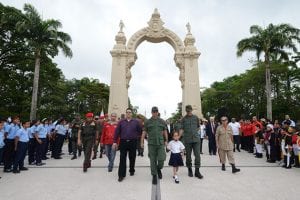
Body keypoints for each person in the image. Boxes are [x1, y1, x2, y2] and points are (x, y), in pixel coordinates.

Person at [113, 108, 142, 182]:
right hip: (123, 142)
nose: (128, 113)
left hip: (133, 142)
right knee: (122, 159)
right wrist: (115, 142)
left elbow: (140, 131)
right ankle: (121, 175)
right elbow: (117, 132)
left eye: (130, 112)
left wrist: (135, 137)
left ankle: (132, 170)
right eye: (127, 112)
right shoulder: (121, 122)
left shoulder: (136, 122)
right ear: (125, 113)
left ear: (132, 114)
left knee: (132, 158)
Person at [179, 105, 203, 179]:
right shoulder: (183, 119)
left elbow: (198, 127)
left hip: (196, 140)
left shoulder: (195, 118)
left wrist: (197, 134)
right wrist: (179, 137)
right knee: (188, 157)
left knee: (197, 156)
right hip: (188, 140)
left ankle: (197, 171)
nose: (189, 112)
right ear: (186, 111)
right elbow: (182, 129)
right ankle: (190, 169)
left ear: (191, 110)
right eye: (187, 111)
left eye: (190, 110)